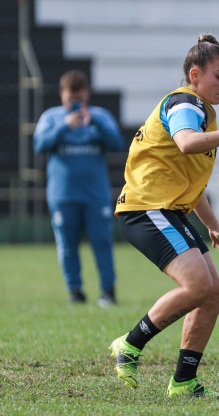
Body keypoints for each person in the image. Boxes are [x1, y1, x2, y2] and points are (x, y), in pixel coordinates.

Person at [110, 31, 219, 397]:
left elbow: (192, 182)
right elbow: (187, 143)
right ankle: (129, 344)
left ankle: (184, 382)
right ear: (194, 75)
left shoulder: (203, 112)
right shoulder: (186, 104)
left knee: (213, 293)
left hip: (167, 211)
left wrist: (214, 228)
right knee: (198, 286)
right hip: (146, 208)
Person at [33, 70, 124, 306]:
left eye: (79, 97)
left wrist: (92, 121)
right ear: (62, 94)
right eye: (70, 96)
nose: (74, 102)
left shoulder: (99, 116)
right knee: (67, 245)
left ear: (87, 94)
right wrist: (64, 126)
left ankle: (108, 290)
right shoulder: (52, 118)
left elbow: (117, 143)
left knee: (102, 242)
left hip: (95, 195)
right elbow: (39, 145)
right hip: (63, 195)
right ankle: (75, 291)